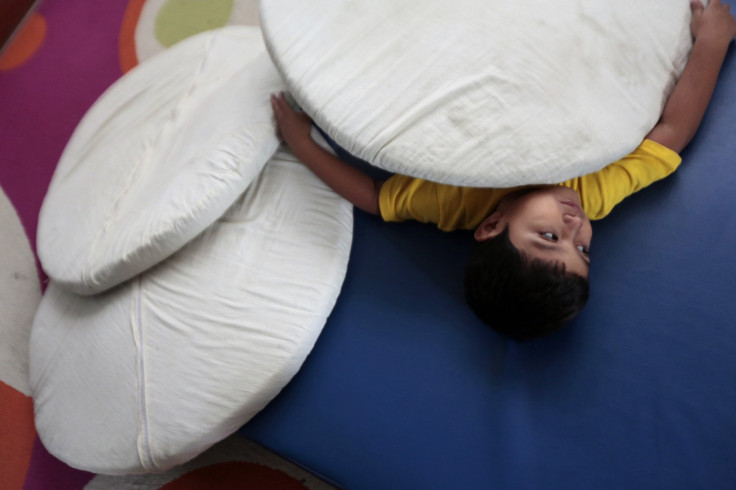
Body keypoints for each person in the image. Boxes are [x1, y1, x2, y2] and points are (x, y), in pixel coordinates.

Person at [270, 0, 736, 341]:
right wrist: (711, 45)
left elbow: (375, 197)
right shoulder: (588, 194)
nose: (576, 226)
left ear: (492, 225)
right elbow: (669, 135)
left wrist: (301, 143)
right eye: (584, 250)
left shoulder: (455, 200)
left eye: (550, 238)